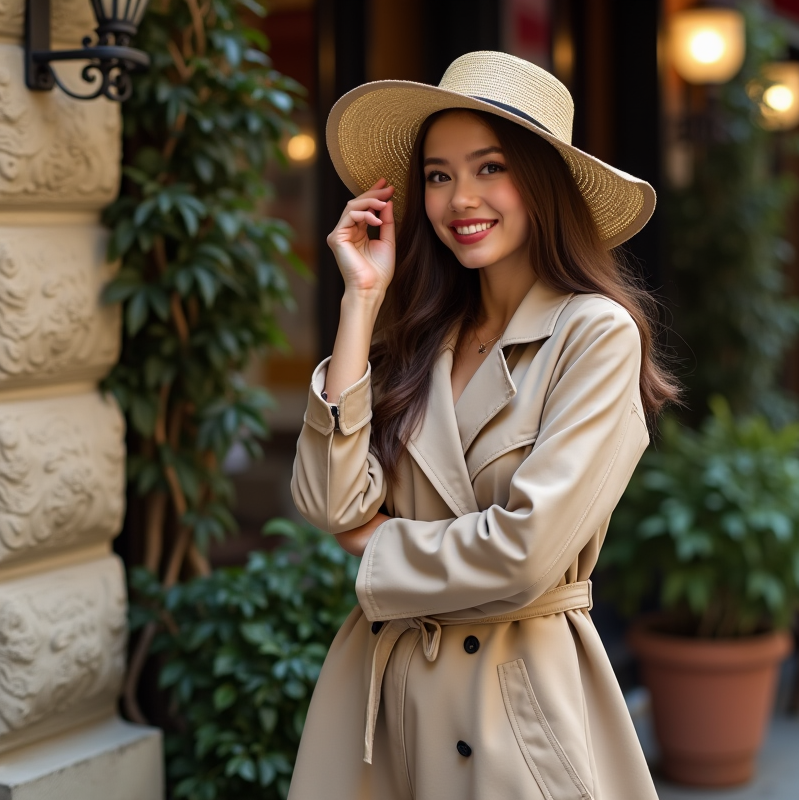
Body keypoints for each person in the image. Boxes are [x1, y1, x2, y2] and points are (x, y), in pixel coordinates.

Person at [289, 50, 676, 800]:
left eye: (489, 167)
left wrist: (379, 543)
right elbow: (331, 504)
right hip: (384, 701)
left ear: (542, 182)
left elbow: (525, 555)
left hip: (511, 703)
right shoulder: (420, 335)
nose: (460, 198)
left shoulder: (594, 333)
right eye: (438, 175)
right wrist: (360, 302)